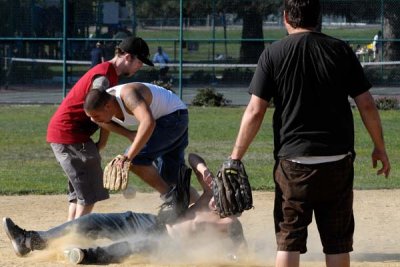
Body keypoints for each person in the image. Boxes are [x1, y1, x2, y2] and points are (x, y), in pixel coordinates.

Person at [228, 1, 391, 267]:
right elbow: (366, 104)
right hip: (337, 160)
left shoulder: (274, 53)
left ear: (285, 18)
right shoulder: (340, 50)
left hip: (293, 163)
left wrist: (235, 157)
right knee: (337, 243)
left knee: (288, 240)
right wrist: (379, 146)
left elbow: (256, 111)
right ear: (318, 18)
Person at [2, 153, 246, 265]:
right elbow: (193, 156)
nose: (215, 198)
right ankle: (30, 240)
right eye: (218, 190)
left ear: (232, 204)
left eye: (222, 198)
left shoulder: (230, 225)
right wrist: (205, 172)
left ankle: (87, 257)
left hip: (168, 246)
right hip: (154, 222)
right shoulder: (210, 191)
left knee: (134, 247)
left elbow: (241, 254)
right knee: (93, 221)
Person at [46, 36, 154, 221]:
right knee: (89, 195)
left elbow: (105, 114)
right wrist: (127, 134)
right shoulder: (104, 76)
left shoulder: (109, 74)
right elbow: (96, 106)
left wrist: (101, 144)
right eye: (140, 61)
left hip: (70, 135)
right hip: (71, 134)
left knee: (80, 194)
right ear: (127, 57)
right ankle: (74, 239)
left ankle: (67, 236)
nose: (140, 66)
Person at [83, 82, 198, 202]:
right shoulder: (105, 103)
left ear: (107, 106)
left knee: (135, 159)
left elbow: (148, 122)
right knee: (171, 177)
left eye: (95, 115)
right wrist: (123, 136)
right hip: (171, 118)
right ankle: (202, 206)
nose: (93, 120)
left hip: (173, 117)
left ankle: (171, 199)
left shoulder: (128, 96)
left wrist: (128, 157)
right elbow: (104, 122)